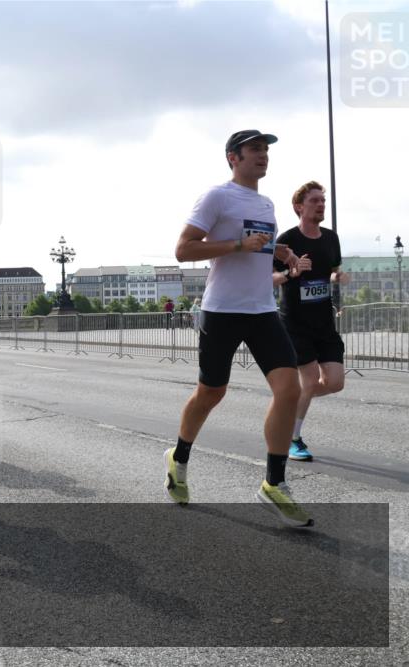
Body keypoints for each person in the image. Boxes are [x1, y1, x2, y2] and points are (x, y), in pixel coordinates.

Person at [167, 129, 310, 528]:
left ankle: (273, 483)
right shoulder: (217, 196)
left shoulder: (266, 202)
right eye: (255, 150)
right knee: (211, 393)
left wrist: (278, 251)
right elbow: (184, 249)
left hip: (263, 309)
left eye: (265, 150)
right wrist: (235, 247)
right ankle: (178, 459)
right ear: (233, 157)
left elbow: (256, 247)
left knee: (289, 389)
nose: (263, 156)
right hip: (222, 310)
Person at [273, 181, 349, 462]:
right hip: (295, 323)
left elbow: (328, 272)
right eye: (315, 200)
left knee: (335, 382)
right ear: (299, 207)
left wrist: (336, 277)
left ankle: (288, 405)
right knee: (307, 380)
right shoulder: (287, 239)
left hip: (324, 324)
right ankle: (292, 439)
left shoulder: (331, 238)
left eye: (323, 201)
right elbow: (268, 278)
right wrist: (291, 273)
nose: (321, 205)